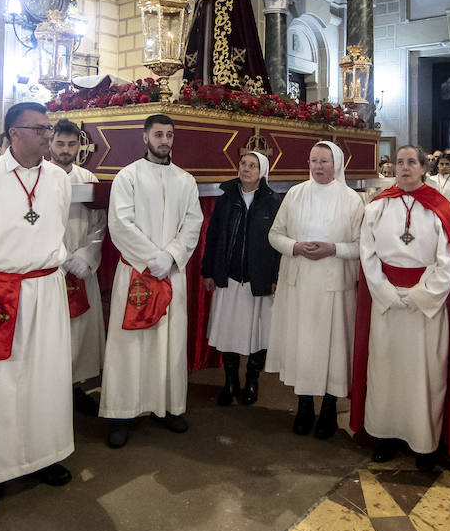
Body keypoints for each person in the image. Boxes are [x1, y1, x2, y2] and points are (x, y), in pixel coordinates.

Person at [0, 102, 75, 520]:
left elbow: (55, 226)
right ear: (14, 133)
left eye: (48, 128)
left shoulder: (58, 178)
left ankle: (45, 455)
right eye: (39, 128)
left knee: (47, 377)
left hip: (46, 288)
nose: (47, 135)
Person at [351, 145, 450, 469]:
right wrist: (386, 292)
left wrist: (421, 295)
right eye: (399, 162)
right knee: (386, 370)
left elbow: (447, 260)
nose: (404, 167)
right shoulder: (377, 206)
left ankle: (425, 443)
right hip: (388, 305)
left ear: (424, 167)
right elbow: (368, 253)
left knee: (426, 374)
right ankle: (385, 435)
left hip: (425, 308)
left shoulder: (441, 209)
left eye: (411, 162)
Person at [101, 114, 204, 448]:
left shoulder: (185, 180)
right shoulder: (128, 176)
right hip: (136, 273)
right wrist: (151, 259)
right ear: (145, 138)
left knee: (170, 340)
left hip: (171, 272)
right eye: (158, 134)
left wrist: (170, 256)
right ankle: (121, 412)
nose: (164, 140)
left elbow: (193, 222)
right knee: (129, 345)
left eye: (169, 135)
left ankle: (169, 407)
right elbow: (120, 223)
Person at [268, 142, 365, 439]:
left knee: (333, 346)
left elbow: (363, 246)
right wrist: (294, 246)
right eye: (313, 160)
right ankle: (305, 404)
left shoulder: (351, 200)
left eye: (324, 161)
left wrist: (333, 249)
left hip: (333, 285)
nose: (318, 166)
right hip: (298, 285)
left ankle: (329, 408)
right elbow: (274, 234)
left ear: (336, 163)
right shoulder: (295, 195)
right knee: (303, 346)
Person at [202, 151, 282, 406]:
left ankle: (251, 380)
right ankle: (230, 381)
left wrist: (275, 276)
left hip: (258, 280)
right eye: (243, 164)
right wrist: (208, 271)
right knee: (228, 332)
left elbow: (278, 243)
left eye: (253, 166)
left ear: (262, 172)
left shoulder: (272, 202)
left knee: (257, 334)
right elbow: (212, 237)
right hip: (231, 277)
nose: (246, 169)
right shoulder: (226, 200)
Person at [51, 119, 107, 415]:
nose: (65, 150)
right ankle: (50, 391)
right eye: (60, 144)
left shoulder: (89, 178)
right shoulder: (40, 176)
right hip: (51, 269)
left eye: (72, 144)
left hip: (82, 268)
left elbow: (99, 225)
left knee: (80, 332)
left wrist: (87, 256)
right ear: (50, 143)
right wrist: (59, 258)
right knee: (53, 332)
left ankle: (74, 387)